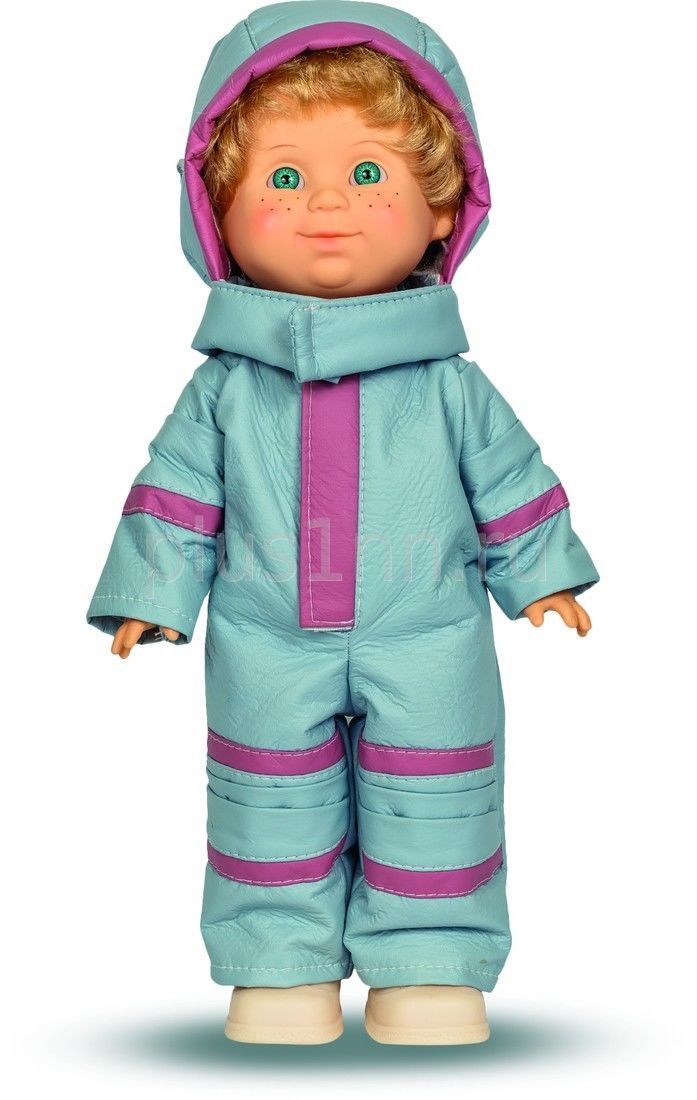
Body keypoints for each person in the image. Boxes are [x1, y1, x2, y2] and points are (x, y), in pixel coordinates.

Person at [87, 1, 599, 1045]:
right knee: (267, 802)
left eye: (368, 173)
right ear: (215, 213)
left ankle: (432, 965)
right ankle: (279, 969)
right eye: (282, 179)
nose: (327, 203)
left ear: (443, 206)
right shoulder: (228, 389)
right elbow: (176, 492)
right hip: (264, 636)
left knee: (438, 796)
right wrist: (152, 591)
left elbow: (507, 475)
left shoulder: (449, 385)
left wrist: (539, 570)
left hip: (431, 632)